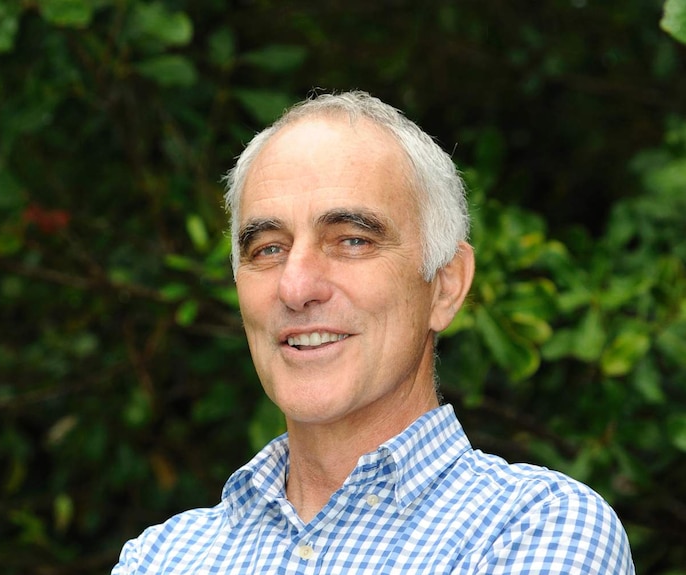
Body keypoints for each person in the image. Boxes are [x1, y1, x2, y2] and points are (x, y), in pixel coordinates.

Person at [111, 91, 635, 574]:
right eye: (268, 248)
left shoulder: (536, 529)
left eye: (352, 241)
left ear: (445, 286)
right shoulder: (161, 556)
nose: (296, 286)